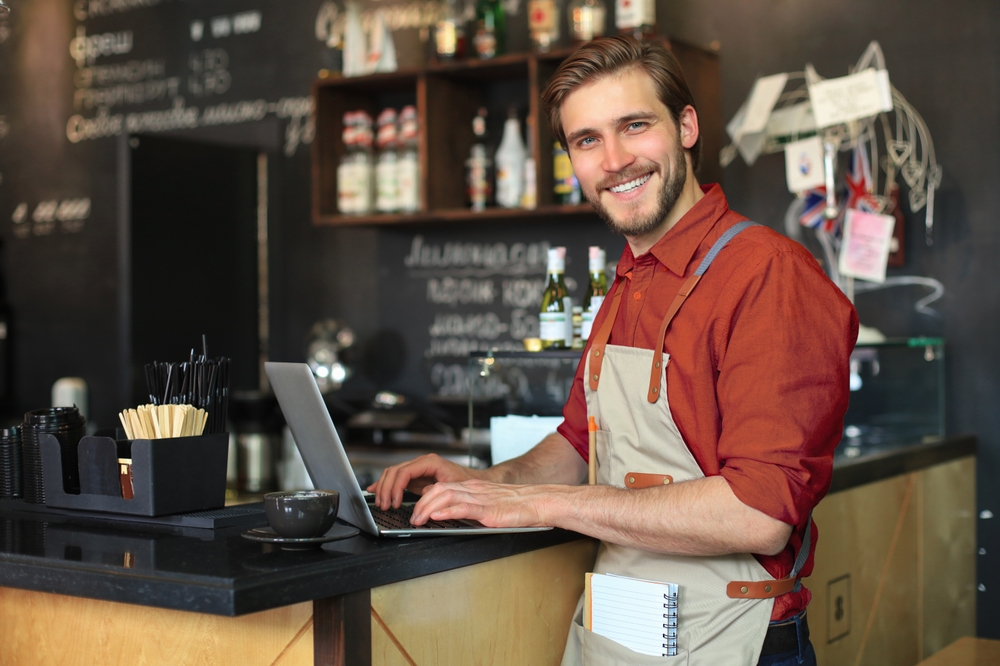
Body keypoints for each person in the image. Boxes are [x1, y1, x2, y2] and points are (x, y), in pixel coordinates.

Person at [369, 35, 858, 666]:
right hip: (620, 637)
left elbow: (758, 511)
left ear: (686, 127)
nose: (616, 159)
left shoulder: (768, 273)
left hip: (733, 641)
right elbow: (579, 444)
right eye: (587, 140)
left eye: (634, 126)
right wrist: (488, 484)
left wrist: (539, 503)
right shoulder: (629, 280)